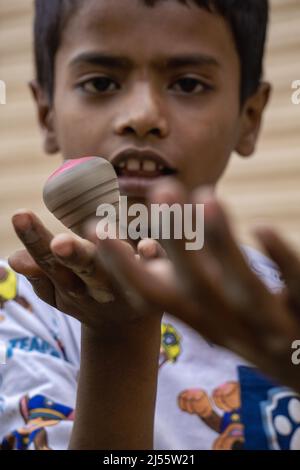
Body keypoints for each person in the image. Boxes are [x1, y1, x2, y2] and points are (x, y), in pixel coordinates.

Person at [1, 0, 299, 450]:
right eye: (100, 82)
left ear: (250, 117)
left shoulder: (280, 311)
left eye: (188, 83)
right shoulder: (18, 308)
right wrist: (117, 336)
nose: (142, 116)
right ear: (46, 113)